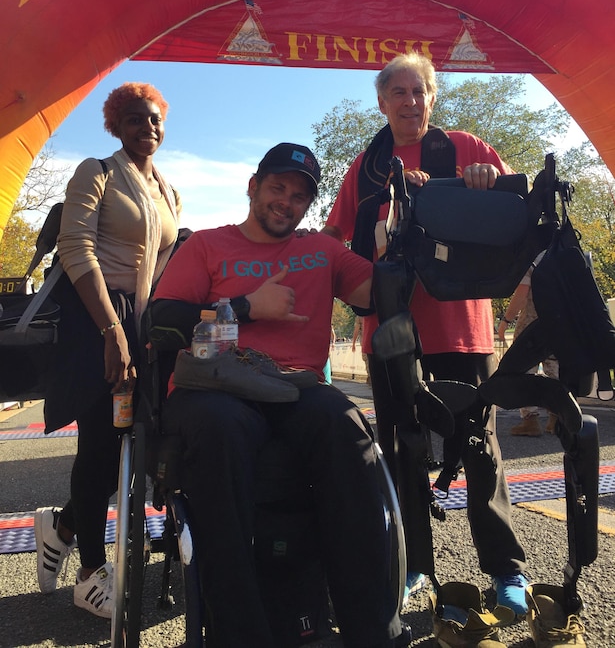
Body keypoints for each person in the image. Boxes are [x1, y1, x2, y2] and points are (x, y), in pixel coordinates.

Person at [150, 143, 407, 648]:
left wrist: (405, 226)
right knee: (222, 429)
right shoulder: (206, 245)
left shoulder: (322, 251)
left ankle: (368, 629)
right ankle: (240, 635)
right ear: (253, 187)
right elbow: (162, 320)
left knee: (345, 425)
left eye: (299, 196)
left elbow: (380, 292)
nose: (285, 202)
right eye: (277, 188)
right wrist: (244, 307)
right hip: (217, 384)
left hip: (295, 386)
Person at [324, 53, 529, 616]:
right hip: (388, 330)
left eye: (420, 91)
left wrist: (486, 188)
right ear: (382, 102)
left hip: (462, 327)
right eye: (399, 93)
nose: (410, 102)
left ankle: (507, 568)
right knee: (401, 448)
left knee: (479, 446)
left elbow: (516, 217)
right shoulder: (366, 168)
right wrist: (367, 260)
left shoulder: (467, 149)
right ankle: (414, 562)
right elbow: (332, 238)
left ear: (432, 97)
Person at [34, 82, 180, 617]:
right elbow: (76, 246)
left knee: (130, 444)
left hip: (140, 323)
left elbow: (166, 263)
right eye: (137, 119)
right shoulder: (95, 172)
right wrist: (111, 331)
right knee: (99, 441)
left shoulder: (167, 190)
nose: (149, 128)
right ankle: (92, 570)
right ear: (116, 125)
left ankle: (66, 523)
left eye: (156, 119)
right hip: (95, 318)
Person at [497, 251, 559, 436]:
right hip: (558, 322)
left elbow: (522, 294)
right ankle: (557, 416)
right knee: (555, 367)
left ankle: (530, 420)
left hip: (531, 322)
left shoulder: (533, 258)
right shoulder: (562, 256)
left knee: (523, 369)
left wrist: (506, 321)